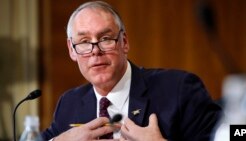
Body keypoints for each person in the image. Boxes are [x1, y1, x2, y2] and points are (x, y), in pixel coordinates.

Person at [41, 1, 221, 141]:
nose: (95, 50)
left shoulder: (179, 89)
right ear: (72, 49)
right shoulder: (69, 103)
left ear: (124, 42)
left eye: (105, 38)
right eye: (84, 42)